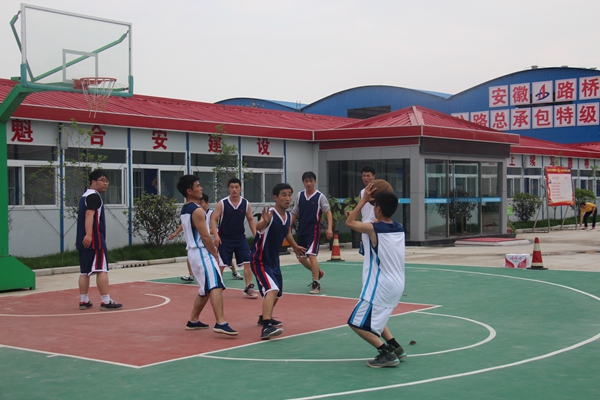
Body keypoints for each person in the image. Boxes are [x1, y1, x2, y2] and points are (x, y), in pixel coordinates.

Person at [345, 183, 407, 368]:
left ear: (377, 208)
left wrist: (363, 201)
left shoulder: (374, 228)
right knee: (376, 316)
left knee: (355, 323)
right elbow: (369, 224)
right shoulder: (399, 227)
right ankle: (395, 347)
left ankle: (386, 353)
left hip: (381, 285)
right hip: (397, 284)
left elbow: (350, 223)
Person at [176, 175, 238, 336]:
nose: (201, 188)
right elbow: (205, 236)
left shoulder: (185, 209)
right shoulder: (197, 210)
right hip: (201, 252)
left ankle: (193, 320)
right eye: (197, 186)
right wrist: (215, 254)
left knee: (205, 289)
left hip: (193, 253)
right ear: (189, 191)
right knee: (216, 285)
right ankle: (221, 322)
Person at [250, 183, 306, 340]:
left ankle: (264, 317)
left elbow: (287, 232)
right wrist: (264, 221)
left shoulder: (287, 216)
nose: (288, 198)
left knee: (278, 292)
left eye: (289, 195)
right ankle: (266, 326)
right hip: (260, 260)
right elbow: (258, 227)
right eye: (284, 195)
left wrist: (294, 246)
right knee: (272, 289)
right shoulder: (270, 214)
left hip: (274, 261)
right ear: (275, 197)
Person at [169, 193, 243, 282]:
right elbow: (184, 224)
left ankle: (234, 272)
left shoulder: (211, 214)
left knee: (224, 256)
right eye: (198, 203)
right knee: (190, 254)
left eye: (202, 203)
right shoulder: (195, 212)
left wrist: (204, 231)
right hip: (200, 241)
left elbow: (216, 229)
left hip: (212, 239)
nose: (199, 204)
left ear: (207, 203)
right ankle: (191, 275)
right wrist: (175, 233)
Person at [76, 169, 122, 311]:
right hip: (95, 241)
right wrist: (89, 235)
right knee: (102, 269)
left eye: (107, 181)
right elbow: (89, 215)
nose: (106, 183)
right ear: (93, 182)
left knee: (84, 272)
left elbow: (82, 219)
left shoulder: (84, 196)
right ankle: (105, 301)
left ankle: (84, 300)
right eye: (102, 180)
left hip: (83, 241)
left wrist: (81, 237)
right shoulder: (94, 196)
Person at [210, 178, 258, 298]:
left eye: (236, 187)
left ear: (240, 188)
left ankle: (248, 288)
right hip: (225, 238)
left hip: (240, 238)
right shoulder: (222, 203)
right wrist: (216, 236)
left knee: (247, 262)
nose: (234, 190)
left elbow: (250, 219)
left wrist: (256, 236)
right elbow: (213, 219)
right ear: (228, 189)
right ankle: (216, 287)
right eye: (232, 187)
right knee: (221, 264)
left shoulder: (246, 203)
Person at [290, 171, 333, 294]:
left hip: (313, 231)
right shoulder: (300, 195)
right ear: (303, 182)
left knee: (311, 255)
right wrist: (287, 226)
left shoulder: (320, 196)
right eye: (306, 181)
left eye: (311, 181)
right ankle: (318, 273)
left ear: (315, 182)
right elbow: (295, 212)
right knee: (301, 258)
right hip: (301, 231)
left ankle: (316, 283)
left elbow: (328, 212)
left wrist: (329, 228)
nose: (308, 183)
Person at [358, 165, 377, 257]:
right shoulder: (362, 192)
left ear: (374, 176)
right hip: (364, 226)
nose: (365, 178)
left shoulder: (379, 190)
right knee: (367, 255)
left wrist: (379, 219)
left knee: (376, 253)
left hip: (375, 225)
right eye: (363, 176)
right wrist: (352, 213)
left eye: (368, 176)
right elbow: (360, 208)